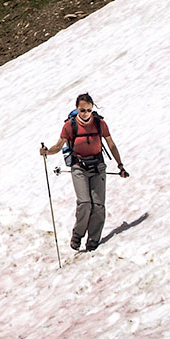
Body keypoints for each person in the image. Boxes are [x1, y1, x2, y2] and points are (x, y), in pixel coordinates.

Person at [39, 93, 126, 252]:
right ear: (77, 108)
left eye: (88, 110)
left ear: (92, 108)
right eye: (82, 110)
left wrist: (120, 164)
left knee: (98, 205)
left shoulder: (100, 123)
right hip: (79, 166)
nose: (85, 113)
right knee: (85, 202)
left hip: (98, 166)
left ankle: (93, 239)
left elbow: (111, 144)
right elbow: (59, 146)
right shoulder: (70, 126)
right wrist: (47, 152)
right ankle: (78, 234)